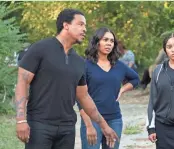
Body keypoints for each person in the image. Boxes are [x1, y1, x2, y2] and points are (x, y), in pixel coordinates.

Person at [15, 9, 118, 149]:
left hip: (67, 129)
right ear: (66, 25)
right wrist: (21, 120)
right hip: (40, 126)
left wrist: (104, 126)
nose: (84, 29)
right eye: (80, 24)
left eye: (85, 26)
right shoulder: (40, 49)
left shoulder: (79, 61)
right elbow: (22, 83)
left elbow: (84, 97)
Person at [78, 27, 139, 149]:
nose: (109, 43)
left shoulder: (119, 65)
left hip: (114, 120)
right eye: (105, 39)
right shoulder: (85, 65)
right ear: (97, 42)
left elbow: (135, 79)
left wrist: (122, 89)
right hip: (92, 120)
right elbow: (79, 98)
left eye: (112, 41)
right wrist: (88, 125)